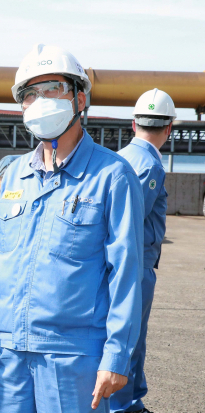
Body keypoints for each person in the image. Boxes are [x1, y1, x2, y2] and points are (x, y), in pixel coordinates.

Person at [0, 44, 145, 413]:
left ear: (79, 98)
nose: (39, 101)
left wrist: (116, 357)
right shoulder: (15, 173)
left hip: (74, 357)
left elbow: (127, 274)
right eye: (29, 94)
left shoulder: (112, 176)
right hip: (9, 353)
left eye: (51, 89)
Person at [110, 89, 175, 413]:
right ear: (170, 128)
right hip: (137, 266)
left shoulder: (120, 158)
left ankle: (128, 402)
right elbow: (132, 224)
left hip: (119, 265)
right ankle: (124, 405)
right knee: (131, 339)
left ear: (134, 125)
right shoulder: (151, 165)